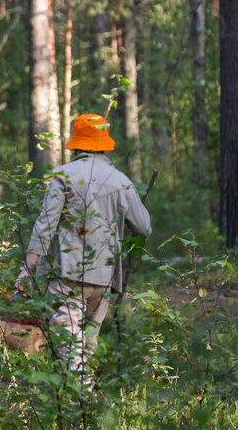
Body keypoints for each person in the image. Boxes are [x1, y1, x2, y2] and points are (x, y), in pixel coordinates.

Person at [15, 113, 152, 388]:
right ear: (104, 143)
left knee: (69, 349)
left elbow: (45, 227)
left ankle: (79, 413)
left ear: (76, 144)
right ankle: (81, 415)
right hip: (104, 281)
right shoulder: (121, 180)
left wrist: (27, 270)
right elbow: (144, 228)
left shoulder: (63, 176)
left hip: (67, 278)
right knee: (85, 345)